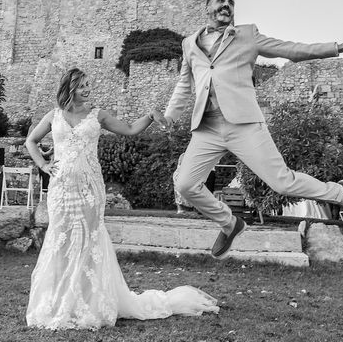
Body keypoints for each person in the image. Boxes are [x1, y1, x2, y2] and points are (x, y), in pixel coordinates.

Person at [162, 0, 343, 259]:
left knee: (283, 183)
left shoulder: (247, 35)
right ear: (208, 7)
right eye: (221, 1)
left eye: (231, 2)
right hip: (207, 128)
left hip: (244, 124)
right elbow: (183, 85)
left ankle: (341, 194)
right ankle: (230, 224)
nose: (227, 5)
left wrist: (335, 48)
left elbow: (290, 49)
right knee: (185, 185)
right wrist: (169, 117)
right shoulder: (189, 44)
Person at [25, 68, 219, 330]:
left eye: (88, 84)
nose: (87, 89)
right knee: (60, 241)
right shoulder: (54, 115)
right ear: (70, 87)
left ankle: (88, 303)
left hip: (90, 188)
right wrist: (43, 165)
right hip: (61, 190)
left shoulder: (98, 115)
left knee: (88, 241)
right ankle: (60, 302)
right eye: (82, 85)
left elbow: (129, 130)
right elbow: (31, 141)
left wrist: (150, 116)